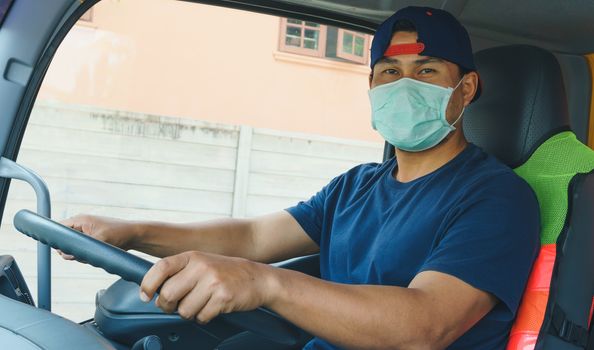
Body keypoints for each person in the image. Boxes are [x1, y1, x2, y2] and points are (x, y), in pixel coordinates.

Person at [62, 6, 540, 349]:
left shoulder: (496, 197)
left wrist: (264, 283)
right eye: (389, 71)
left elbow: (426, 325)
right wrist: (131, 232)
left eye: (426, 70)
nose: (403, 85)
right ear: (371, 86)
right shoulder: (357, 185)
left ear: (466, 89)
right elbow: (252, 236)